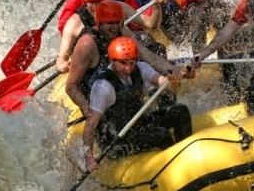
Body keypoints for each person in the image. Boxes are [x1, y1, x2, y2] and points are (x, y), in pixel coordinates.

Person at [83, 37, 193, 171]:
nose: (128, 68)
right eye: (123, 63)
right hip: (116, 140)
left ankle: (187, 155)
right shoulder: (103, 86)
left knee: (180, 111)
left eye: (131, 62)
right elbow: (91, 123)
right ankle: (177, 167)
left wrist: (175, 80)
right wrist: (89, 157)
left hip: (137, 125)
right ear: (112, 60)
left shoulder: (141, 68)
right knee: (161, 135)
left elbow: (166, 85)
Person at [65, 0, 185, 116]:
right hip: (99, 100)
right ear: (99, 23)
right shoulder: (87, 43)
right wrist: (88, 108)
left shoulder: (121, 30)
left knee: (166, 94)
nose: (114, 27)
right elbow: (71, 86)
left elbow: (149, 57)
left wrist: (175, 70)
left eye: (117, 22)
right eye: (110, 23)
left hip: (121, 90)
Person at [56, 0, 166, 73]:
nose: (95, 7)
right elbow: (61, 57)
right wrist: (62, 64)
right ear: (85, 1)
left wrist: (156, 7)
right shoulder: (74, 22)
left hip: (120, 54)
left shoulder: (119, 7)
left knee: (151, 42)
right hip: (95, 63)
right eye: (91, 2)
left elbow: (151, 25)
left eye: (99, 1)